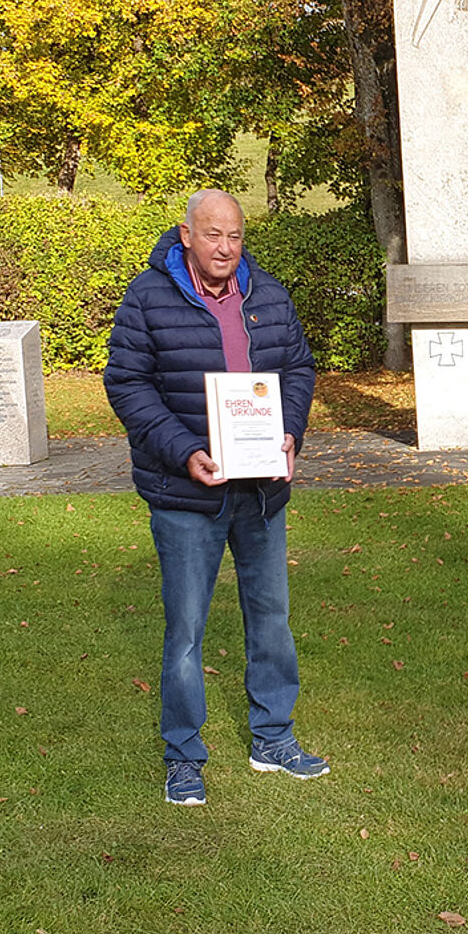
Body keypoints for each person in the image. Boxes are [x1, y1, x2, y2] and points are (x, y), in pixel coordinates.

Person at [104, 189, 323, 807]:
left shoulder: (269, 296)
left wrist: (290, 430)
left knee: (272, 619)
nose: (225, 248)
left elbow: (299, 370)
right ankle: (183, 757)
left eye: (234, 236)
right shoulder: (148, 298)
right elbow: (126, 383)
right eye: (212, 235)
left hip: (259, 492)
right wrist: (183, 451)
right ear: (186, 235)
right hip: (185, 492)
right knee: (187, 632)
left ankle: (273, 739)